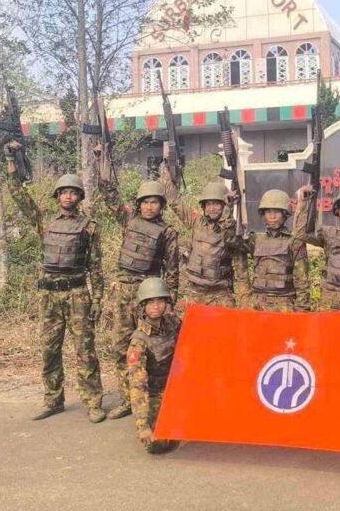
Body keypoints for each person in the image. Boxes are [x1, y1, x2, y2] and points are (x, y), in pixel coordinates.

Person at [5, 154, 104, 423]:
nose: (68, 196)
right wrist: (12, 163)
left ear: (79, 196)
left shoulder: (89, 227)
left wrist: (98, 299)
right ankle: (53, 399)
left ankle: (93, 402)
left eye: (73, 192)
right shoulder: (45, 222)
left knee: (85, 350)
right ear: (58, 195)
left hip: (77, 295)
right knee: (50, 349)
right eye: (64, 192)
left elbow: (95, 266)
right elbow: (20, 197)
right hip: (49, 295)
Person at [98, 153, 180, 421]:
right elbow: (109, 193)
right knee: (120, 346)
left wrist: (169, 303)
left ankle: (156, 397)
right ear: (138, 204)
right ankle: (128, 398)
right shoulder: (128, 219)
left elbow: (172, 270)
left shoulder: (168, 232)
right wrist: (102, 160)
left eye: (154, 202)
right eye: (145, 201)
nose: (149, 206)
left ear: (161, 205)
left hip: (150, 293)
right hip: (123, 290)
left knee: (156, 349)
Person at [158, 165, 242, 308]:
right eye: (208, 204)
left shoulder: (231, 226)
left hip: (221, 293)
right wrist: (165, 177)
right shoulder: (197, 222)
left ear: (224, 205)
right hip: (195, 291)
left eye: (217, 204)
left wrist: (229, 209)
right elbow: (175, 203)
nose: (212, 208)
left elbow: (230, 237)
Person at [127, 277, 181, 454]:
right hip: (156, 392)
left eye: (160, 301)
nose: (155, 306)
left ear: (166, 303)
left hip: (177, 386)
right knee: (157, 445)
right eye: (150, 302)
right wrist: (142, 425)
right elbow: (138, 385)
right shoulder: (138, 342)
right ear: (142, 306)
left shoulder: (172, 323)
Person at [239, 189, 311, 312]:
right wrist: (230, 208)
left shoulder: (293, 241)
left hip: (284, 303)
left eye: (276, 212)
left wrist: (301, 310)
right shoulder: (255, 239)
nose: (272, 217)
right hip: (257, 303)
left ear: (284, 214)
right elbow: (231, 243)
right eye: (268, 212)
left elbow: (302, 279)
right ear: (263, 215)